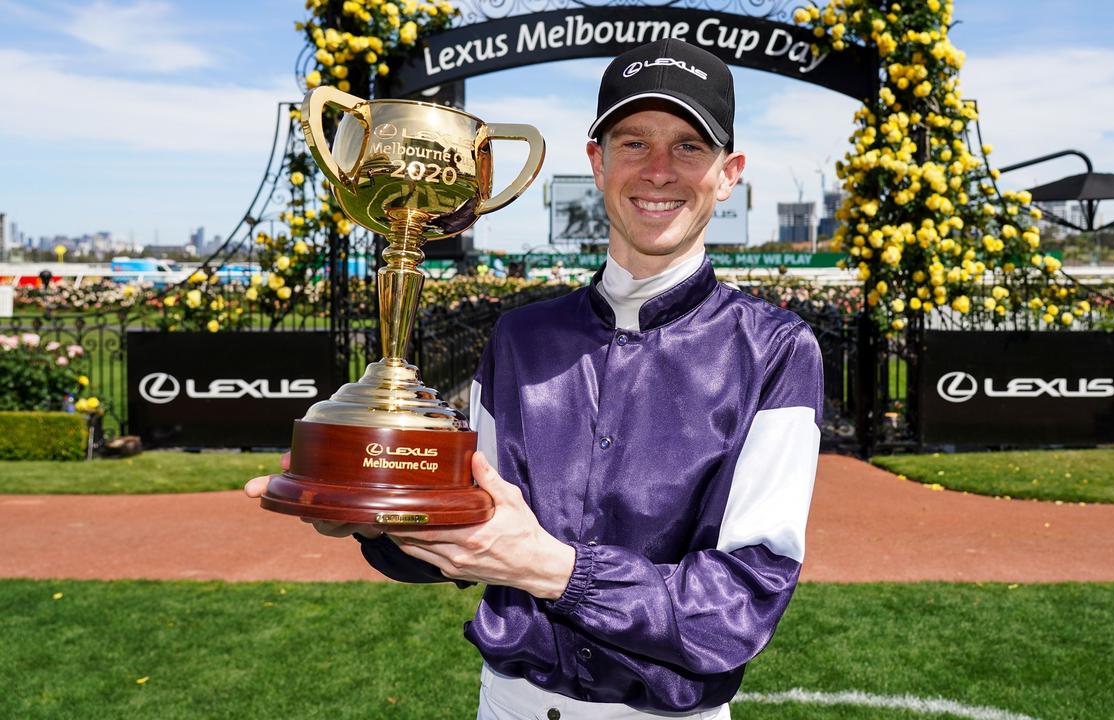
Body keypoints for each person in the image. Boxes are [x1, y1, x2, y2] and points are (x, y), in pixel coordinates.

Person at [247, 37, 823, 720]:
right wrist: (374, 515)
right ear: (596, 162)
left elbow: (741, 602)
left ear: (729, 173)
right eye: (633, 143)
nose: (660, 170)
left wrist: (556, 571)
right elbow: (472, 534)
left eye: (689, 147)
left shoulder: (775, 350)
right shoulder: (520, 338)